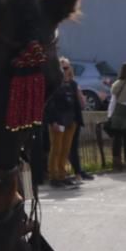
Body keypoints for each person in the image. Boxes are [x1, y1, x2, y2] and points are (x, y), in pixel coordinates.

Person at [45, 60, 80, 188]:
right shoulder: (54, 85)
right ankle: (54, 175)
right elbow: (50, 105)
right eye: (64, 68)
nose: (67, 70)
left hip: (70, 120)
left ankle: (62, 173)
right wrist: (52, 121)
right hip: (58, 121)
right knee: (56, 149)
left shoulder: (70, 85)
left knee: (66, 149)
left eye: (68, 68)